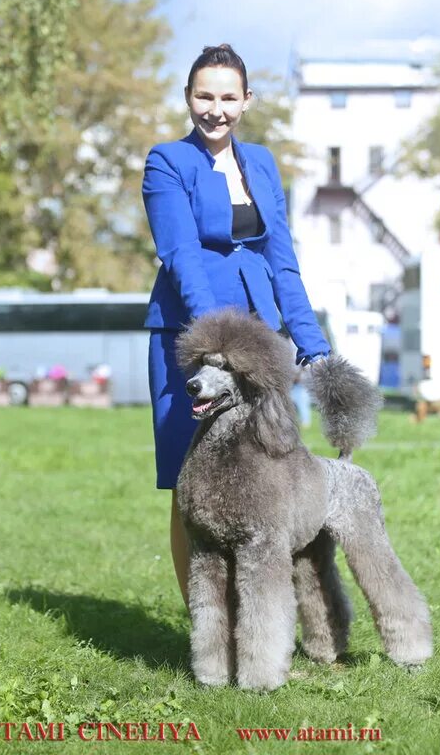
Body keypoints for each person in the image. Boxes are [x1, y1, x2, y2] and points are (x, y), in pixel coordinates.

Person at [142, 44, 330, 606]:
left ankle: (265, 622)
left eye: (228, 97)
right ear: (188, 98)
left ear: (247, 100)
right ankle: (208, 627)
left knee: (272, 478)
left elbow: (282, 260)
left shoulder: (265, 164)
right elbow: (181, 257)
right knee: (191, 484)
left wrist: (312, 345)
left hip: (259, 341)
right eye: (205, 95)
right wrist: (215, 343)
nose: (215, 108)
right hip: (191, 337)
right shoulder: (166, 161)